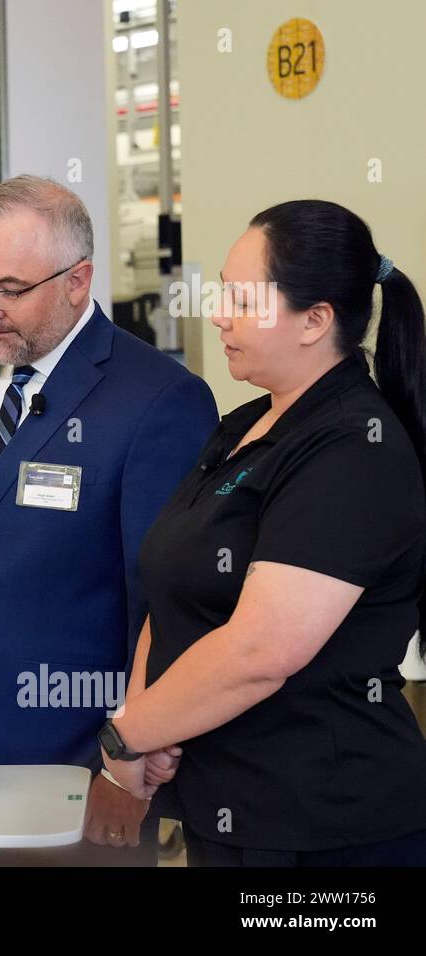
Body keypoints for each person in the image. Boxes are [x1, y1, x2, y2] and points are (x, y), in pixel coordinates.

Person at [0, 175, 219, 861]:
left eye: (9, 289)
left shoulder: (159, 400)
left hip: (80, 767)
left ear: (77, 279)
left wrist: (128, 759)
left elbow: (166, 600)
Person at [103, 199, 426, 866]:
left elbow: (260, 652)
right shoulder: (243, 426)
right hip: (226, 811)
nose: (219, 314)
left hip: (325, 828)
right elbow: (171, 586)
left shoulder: (355, 449)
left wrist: (125, 738)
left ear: (316, 320)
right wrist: (146, 726)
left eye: (244, 299)